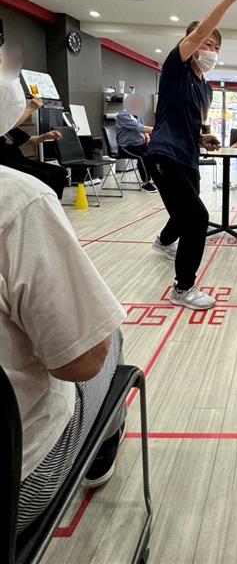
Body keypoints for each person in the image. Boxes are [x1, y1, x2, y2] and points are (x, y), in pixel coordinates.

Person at [0, 62, 127, 532]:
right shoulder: (17, 202)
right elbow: (81, 362)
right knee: (109, 337)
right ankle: (102, 449)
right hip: (19, 489)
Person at [148, 0, 237, 310]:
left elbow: (188, 124)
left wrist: (202, 137)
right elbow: (197, 33)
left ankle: (163, 242)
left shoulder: (205, 88)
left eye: (216, 47)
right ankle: (183, 288)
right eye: (206, 43)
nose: (211, 50)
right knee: (196, 217)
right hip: (165, 153)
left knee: (184, 212)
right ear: (191, 44)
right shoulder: (175, 69)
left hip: (188, 155)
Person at [0, 91, 67, 198]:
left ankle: (54, 202)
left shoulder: (9, 126)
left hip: (19, 159)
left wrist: (46, 136)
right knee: (44, 176)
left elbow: (30, 140)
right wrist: (30, 108)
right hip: (6, 163)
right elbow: (8, 125)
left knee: (59, 172)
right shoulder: (6, 125)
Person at [115, 93, 156, 192]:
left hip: (140, 145)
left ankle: (158, 178)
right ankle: (146, 183)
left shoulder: (138, 115)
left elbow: (143, 127)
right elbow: (139, 127)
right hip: (126, 147)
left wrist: (147, 136)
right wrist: (159, 130)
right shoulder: (122, 115)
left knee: (155, 154)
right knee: (142, 157)